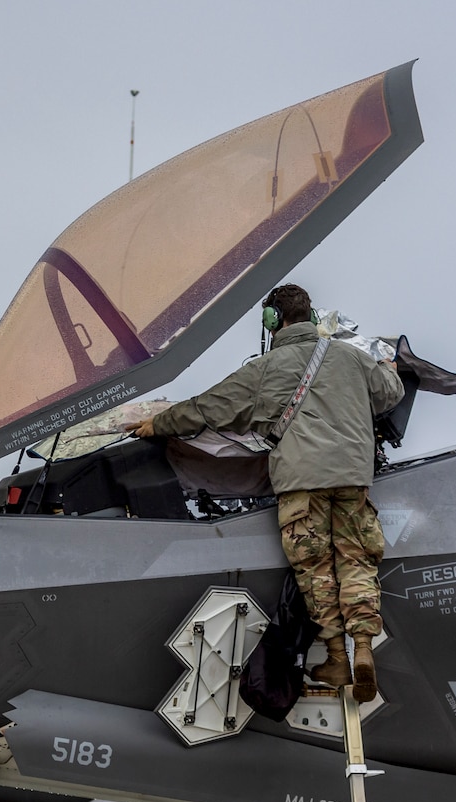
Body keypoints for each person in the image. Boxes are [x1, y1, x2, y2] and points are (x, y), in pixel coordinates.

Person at [137, 284, 403, 700]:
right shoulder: (351, 356)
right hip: (353, 477)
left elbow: (209, 407)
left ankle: (337, 657)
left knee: (315, 570)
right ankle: (364, 648)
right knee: (356, 560)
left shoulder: (262, 370)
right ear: (312, 317)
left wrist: (159, 424)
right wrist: (386, 361)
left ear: (272, 321)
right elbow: (391, 391)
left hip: (300, 483)